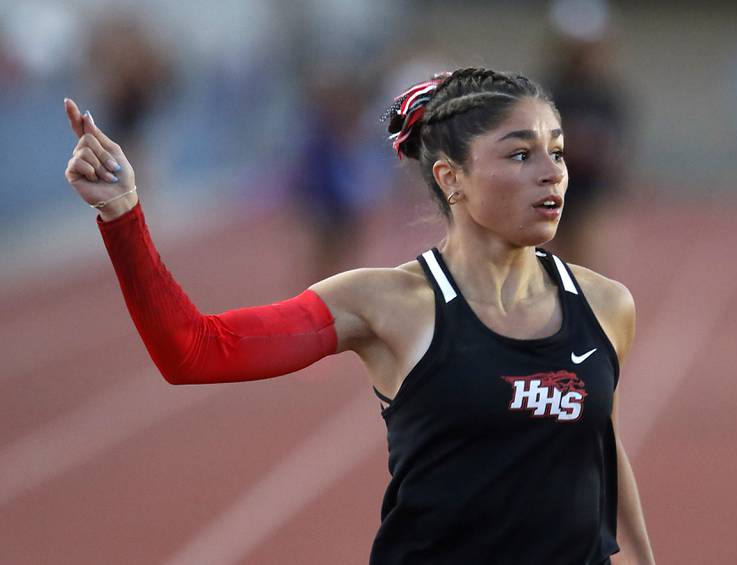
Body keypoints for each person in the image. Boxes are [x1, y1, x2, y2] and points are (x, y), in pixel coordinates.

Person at [63, 67, 655, 564]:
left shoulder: (606, 305)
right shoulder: (385, 304)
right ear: (452, 178)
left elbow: (602, 449)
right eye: (521, 153)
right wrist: (122, 214)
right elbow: (194, 351)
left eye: (556, 150)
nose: (552, 171)